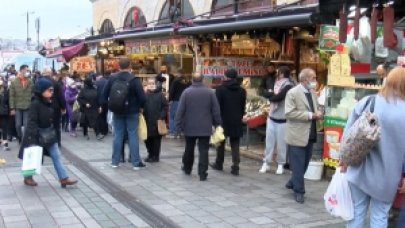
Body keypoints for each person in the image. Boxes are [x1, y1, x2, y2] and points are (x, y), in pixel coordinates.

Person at [341, 67, 405, 228]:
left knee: (355, 214)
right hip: (388, 175)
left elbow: (348, 133)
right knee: (380, 216)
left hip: (359, 168)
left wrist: (343, 160)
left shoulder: (369, 101)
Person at [18, 78, 77, 187]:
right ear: (41, 90)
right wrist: (32, 137)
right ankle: (28, 177)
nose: (52, 92)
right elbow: (31, 122)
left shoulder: (48, 101)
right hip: (36, 133)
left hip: (48, 133)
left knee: (56, 155)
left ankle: (63, 178)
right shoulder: (35, 103)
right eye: (49, 90)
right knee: (33, 155)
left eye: (52, 90)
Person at [175, 72, 222, 181]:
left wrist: (177, 126)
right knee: (203, 150)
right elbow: (216, 110)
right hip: (205, 126)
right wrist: (218, 123)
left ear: (192, 80)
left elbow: (180, 110)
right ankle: (202, 173)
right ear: (202, 80)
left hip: (189, 126)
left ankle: (187, 168)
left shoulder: (186, 92)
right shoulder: (210, 92)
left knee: (189, 148)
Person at [284, 68, 322, 204]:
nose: (315, 81)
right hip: (297, 134)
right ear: (305, 79)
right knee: (299, 164)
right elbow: (289, 113)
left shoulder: (312, 93)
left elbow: (315, 108)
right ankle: (299, 191)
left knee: (305, 164)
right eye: (313, 78)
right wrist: (310, 115)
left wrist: (318, 113)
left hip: (310, 133)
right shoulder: (293, 93)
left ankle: (293, 181)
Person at [103, 57, 146, 170]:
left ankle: (115, 162)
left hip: (117, 111)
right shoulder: (134, 80)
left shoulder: (112, 78)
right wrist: (141, 107)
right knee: (133, 135)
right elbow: (142, 97)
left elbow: (103, 95)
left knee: (118, 135)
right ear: (129, 66)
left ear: (118, 66)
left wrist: (110, 106)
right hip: (132, 111)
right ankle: (135, 163)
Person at [210, 69, 246, 176]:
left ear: (225, 77)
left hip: (223, 119)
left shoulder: (220, 89)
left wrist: (215, 120)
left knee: (221, 142)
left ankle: (219, 163)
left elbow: (216, 106)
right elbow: (242, 106)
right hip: (236, 120)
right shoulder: (242, 91)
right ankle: (236, 166)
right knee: (235, 144)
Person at [259, 66, 294, 174]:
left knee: (282, 144)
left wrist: (270, 96)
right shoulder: (275, 83)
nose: (276, 74)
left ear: (282, 74)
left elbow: (278, 97)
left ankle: (281, 164)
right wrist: (271, 94)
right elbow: (263, 91)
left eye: (278, 73)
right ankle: (266, 162)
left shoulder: (289, 85)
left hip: (283, 119)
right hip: (272, 117)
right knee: (269, 142)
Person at [39, 68, 66, 147]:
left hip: (43, 107)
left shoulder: (39, 82)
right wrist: (63, 107)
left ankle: (45, 141)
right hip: (55, 107)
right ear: (50, 73)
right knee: (56, 125)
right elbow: (60, 96)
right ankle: (57, 142)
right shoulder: (55, 82)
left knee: (44, 125)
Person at [143, 78, 167, 162]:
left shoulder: (160, 95)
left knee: (156, 140)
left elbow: (165, 106)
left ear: (156, 84)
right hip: (147, 120)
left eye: (152, 83)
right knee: (147, 139)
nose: (151, 84)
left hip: (157, 121)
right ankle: (150, 154)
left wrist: (161, 116)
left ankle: (155, 156)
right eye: (149, 83)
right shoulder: (145, 94)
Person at [9, 64, 34, 143]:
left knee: (27, 125)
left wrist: (31, 101)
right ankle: (19, 136)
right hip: (18, 106)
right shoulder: (14, 81)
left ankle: (25, 139)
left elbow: (33, 92)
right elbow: (11, 95)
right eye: (26, 70)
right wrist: (12, 108)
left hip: (27, 105)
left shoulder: (30, 81)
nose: (27, 72)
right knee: (18, 125)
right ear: (22, 70)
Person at [167, 69, 190, 138]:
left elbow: (172, 91)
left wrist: (169, 99)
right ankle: (181, 131)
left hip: (176, 100)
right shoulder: (188, 81)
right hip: (185, 100)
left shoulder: (175, 81)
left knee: (172, 116)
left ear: (178, 73)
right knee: (182, 116)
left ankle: (173, 132)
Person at [77, 76, 99, 140]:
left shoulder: (94, 88)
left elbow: (97, 97)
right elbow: (79, 98)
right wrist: (85, 103)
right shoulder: (83, 90)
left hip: (94, 107)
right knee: (85, 121)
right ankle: (85, 133)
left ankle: (97, 133)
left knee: (95, 120)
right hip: (86, 108)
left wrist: (99, 106)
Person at [65, 72, 81, 137]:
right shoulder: (67, 91)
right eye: (72, 84)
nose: (74, 85)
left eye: (74, 83)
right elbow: (68, 100)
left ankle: (73, 129)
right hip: (70, 105)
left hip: (76, 105)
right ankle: (72, 130)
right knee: (72, 118)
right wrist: (75, 97)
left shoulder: (76, 89)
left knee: (76, 117)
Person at [95, 71, 110, 139]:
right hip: (106, 102)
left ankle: (101, 130)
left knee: (99, 116)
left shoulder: (96, 83)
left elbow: (96, 94)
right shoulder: (107, 82)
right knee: (105, 115)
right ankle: (105, 130)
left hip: (99, 102)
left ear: (98, 76)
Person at [0, 78, 10, 151]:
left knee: (4, 128)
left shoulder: (6, 92)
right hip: (3, 112)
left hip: (4, 113)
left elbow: (8, 102)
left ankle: (5, 143)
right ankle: (2, 142)